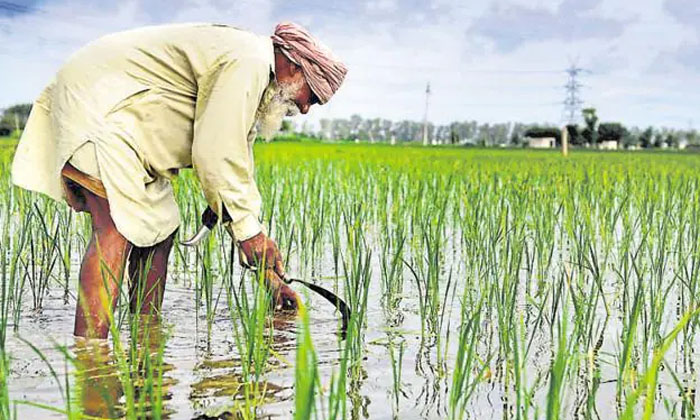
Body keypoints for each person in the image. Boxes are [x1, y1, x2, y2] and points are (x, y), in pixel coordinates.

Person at [11, 22, 347, 339]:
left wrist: (270, 278)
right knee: (115, 227)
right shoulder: (248, 63)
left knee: (162, 229)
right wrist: (251, 235)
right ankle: (91, 355)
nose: (304, 109)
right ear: (293, 68)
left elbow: (235, 169)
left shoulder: (251, 77)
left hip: (132, 134)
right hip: (100, 110)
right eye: (312, 97)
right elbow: (216, 152)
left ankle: (145, 337)